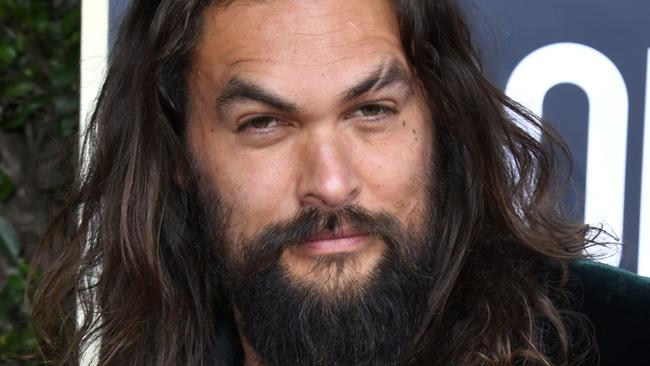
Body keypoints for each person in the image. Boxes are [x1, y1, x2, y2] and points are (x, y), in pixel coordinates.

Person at [32, 1, 650, 365]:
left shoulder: (624, 336)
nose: (330, 184)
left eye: (371, 111)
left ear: (440, 114)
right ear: (177, 153)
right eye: (264, 123)